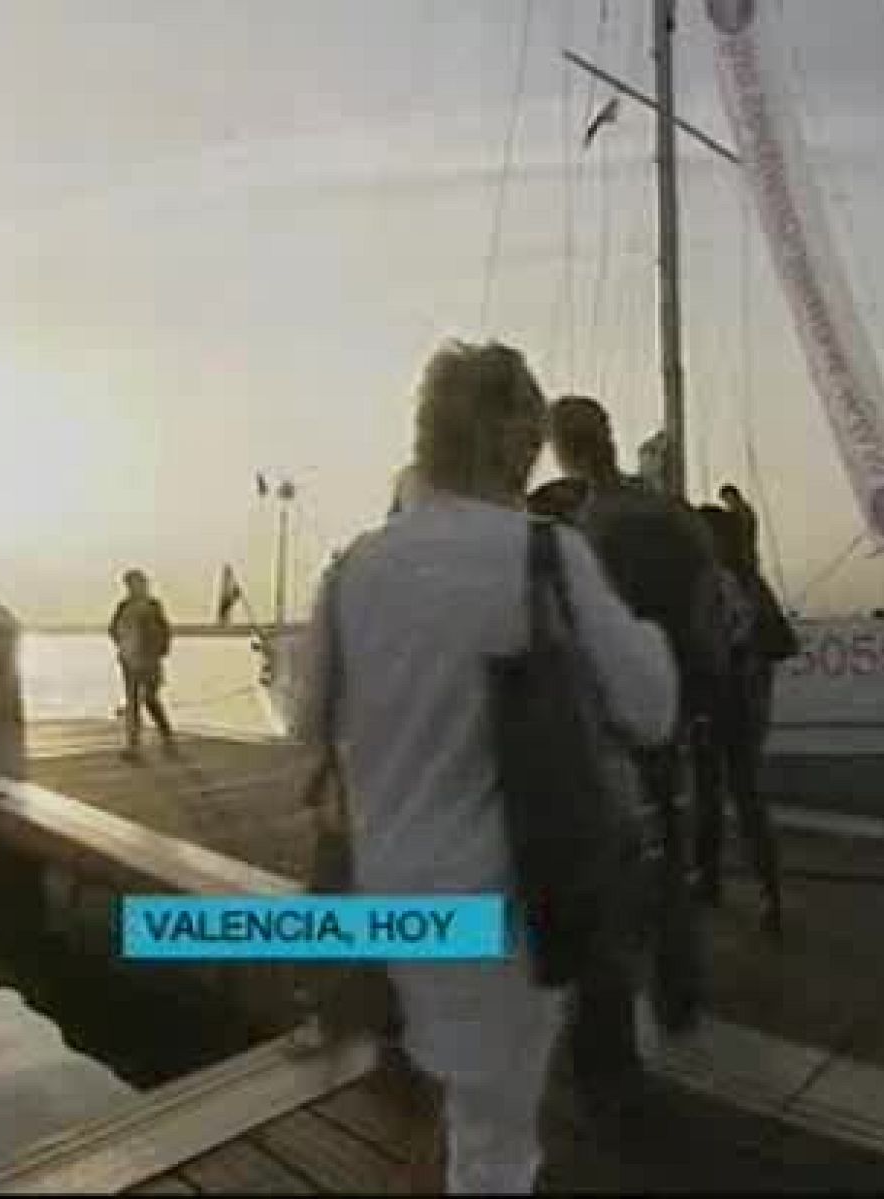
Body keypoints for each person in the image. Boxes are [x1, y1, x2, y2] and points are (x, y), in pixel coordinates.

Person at [295, 341, 678, 1194]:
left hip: (384, 903)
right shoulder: (544, 553)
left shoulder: (352, 567)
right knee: (496, 1144)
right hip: (501, 907)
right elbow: (651, 707)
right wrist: (648, 634)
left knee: (447, 1091)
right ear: (518, 442)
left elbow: (305, 721)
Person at [530, 396, 724, 1121]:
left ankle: (606, 1050)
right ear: (608, 437)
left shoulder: (584, 533)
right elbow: (708, 601)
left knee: (603, 869)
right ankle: (679, 988)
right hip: (676, 701)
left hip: (610, 720)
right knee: (669, 845)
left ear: (561, 447)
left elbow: (579, 633)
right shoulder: (672, 513)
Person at [690, 505, 787, 935]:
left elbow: (709, 639)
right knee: (737, 797)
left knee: (715, 793)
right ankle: (761, 892)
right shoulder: (747, 580)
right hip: (741, 701)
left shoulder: (714, 582)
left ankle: (715, 882)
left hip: (722, 700)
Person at [108, 569, 177, 761]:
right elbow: (113, 628)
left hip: (149, 660)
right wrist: (123, 646)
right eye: (129, 584)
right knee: (132, 703)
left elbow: (165, 630)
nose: (132, 587)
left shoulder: (153, 605)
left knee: (150, 699)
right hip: (129, 661)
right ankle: (133, 746)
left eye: (136, 583)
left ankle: (167, 735)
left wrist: (160, 650)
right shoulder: (123, 606)